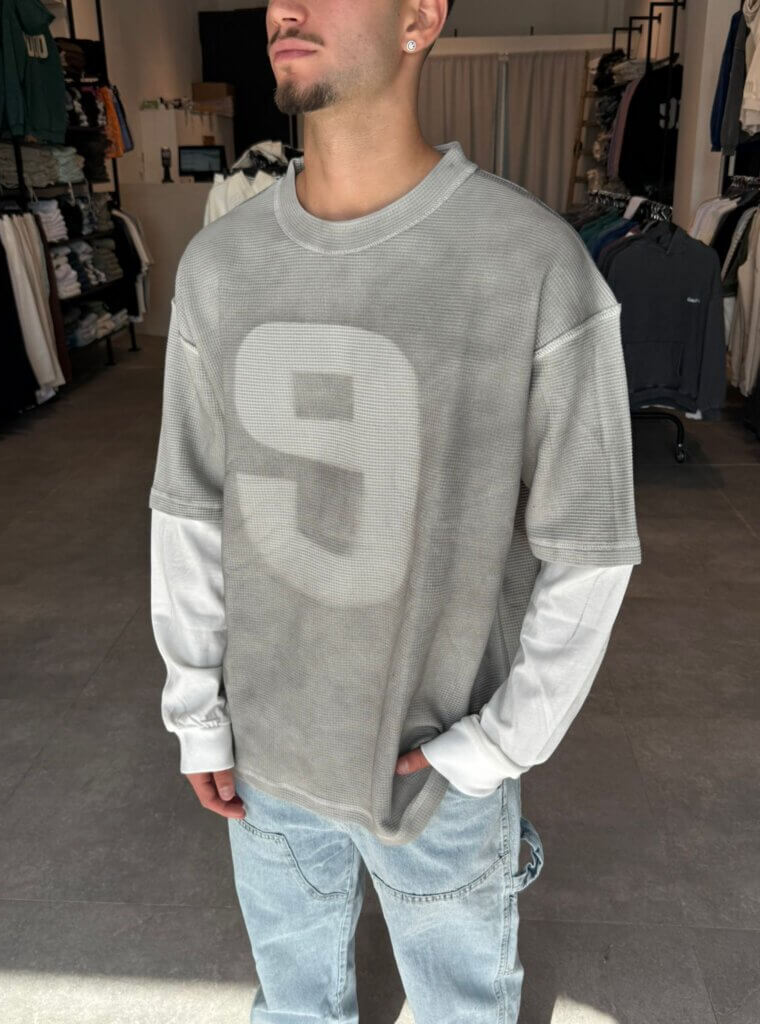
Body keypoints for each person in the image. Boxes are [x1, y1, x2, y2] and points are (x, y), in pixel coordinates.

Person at [148, 0, 642, 1019]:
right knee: (292, 1008)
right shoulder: (218, 267)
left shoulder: (532, 261)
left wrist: (500, 745)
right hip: (266, 763)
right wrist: (197, 713)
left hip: (435, 770)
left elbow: (590, 541)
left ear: (421, 15)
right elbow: (189, 505)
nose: (286, 9)